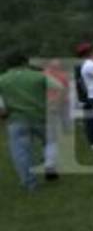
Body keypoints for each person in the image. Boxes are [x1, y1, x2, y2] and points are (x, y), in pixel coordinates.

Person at [0, 51, 64, 190]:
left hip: (16, 120)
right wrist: (53, 104)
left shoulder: (2, 79)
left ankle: (30, 183)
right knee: (51, 141)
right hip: (41, 116)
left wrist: (3, 113)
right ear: (25, 62)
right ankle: (50, 164)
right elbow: (59, 87)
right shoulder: (39, 76)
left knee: (21, 152)